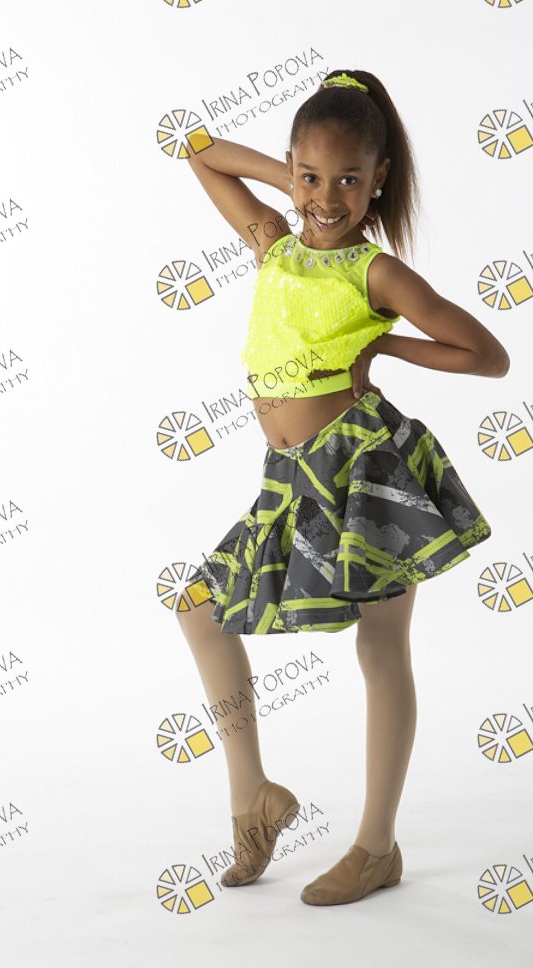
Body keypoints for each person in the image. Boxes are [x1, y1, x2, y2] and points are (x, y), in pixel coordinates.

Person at [176, 69, 509, 906]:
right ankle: (253, 796)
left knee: (380, 646)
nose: (327, 198)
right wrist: (286, 180)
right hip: (290, 480)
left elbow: (486, 354)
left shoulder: (376, 272)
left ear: (379, 179)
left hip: (364, 472)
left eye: (349, 180)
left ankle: (375, 846)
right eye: (311, 177)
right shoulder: (271, 241)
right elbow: (201, 152)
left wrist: (388, 347)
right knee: (199, 609)